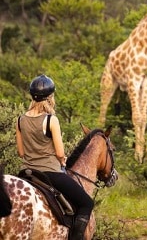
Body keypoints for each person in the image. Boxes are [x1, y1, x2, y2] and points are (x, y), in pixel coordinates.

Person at [15, 74, 94, 240]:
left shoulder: (20, 119)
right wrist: (62, 159)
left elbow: (21, 153)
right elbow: (59, 153)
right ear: (50, 97)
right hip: (49, 172)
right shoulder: (51, 120)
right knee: (87, 203)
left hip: (27, 172)